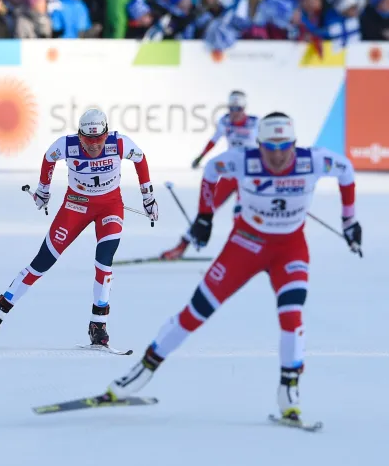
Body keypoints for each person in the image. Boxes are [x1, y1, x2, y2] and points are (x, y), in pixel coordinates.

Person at [104, 112, 361, 425]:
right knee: (197, 311)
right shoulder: (244, 160)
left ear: (295, 144)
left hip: (290, 248)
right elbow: (211, 169)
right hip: (246, 245)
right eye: (270, 147)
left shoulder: (313, 160)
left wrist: (350, 220)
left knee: (292, 315)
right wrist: (204, 216)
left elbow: (346, 170)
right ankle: (142, 371)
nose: (278, 155)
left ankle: (289, 392)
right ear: (259, 144)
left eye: (284, 147)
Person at [0, 109, 159, 349]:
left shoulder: (119, 143)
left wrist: (148, 198)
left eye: (99, 139)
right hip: (76, 206)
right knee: (42, 262)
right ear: (79, 135)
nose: (94, 146)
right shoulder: (67, 145)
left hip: (110, 208)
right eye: (88, 140)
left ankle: (98, 325)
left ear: (106, 134)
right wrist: (43, 190)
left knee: (103, 263)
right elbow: (48, 158)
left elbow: (140, 159)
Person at [161, 91, 257, 260]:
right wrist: (201, 156)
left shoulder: (255, 123)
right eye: (232, 107)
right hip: (229, 174)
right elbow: (214, 140)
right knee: (206, 210)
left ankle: (243, 251)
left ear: (244, 108)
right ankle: (182, 245)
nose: (234, 112)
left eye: (238, 108)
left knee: (242, 214)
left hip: (248, 176)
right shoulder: (225, 121)